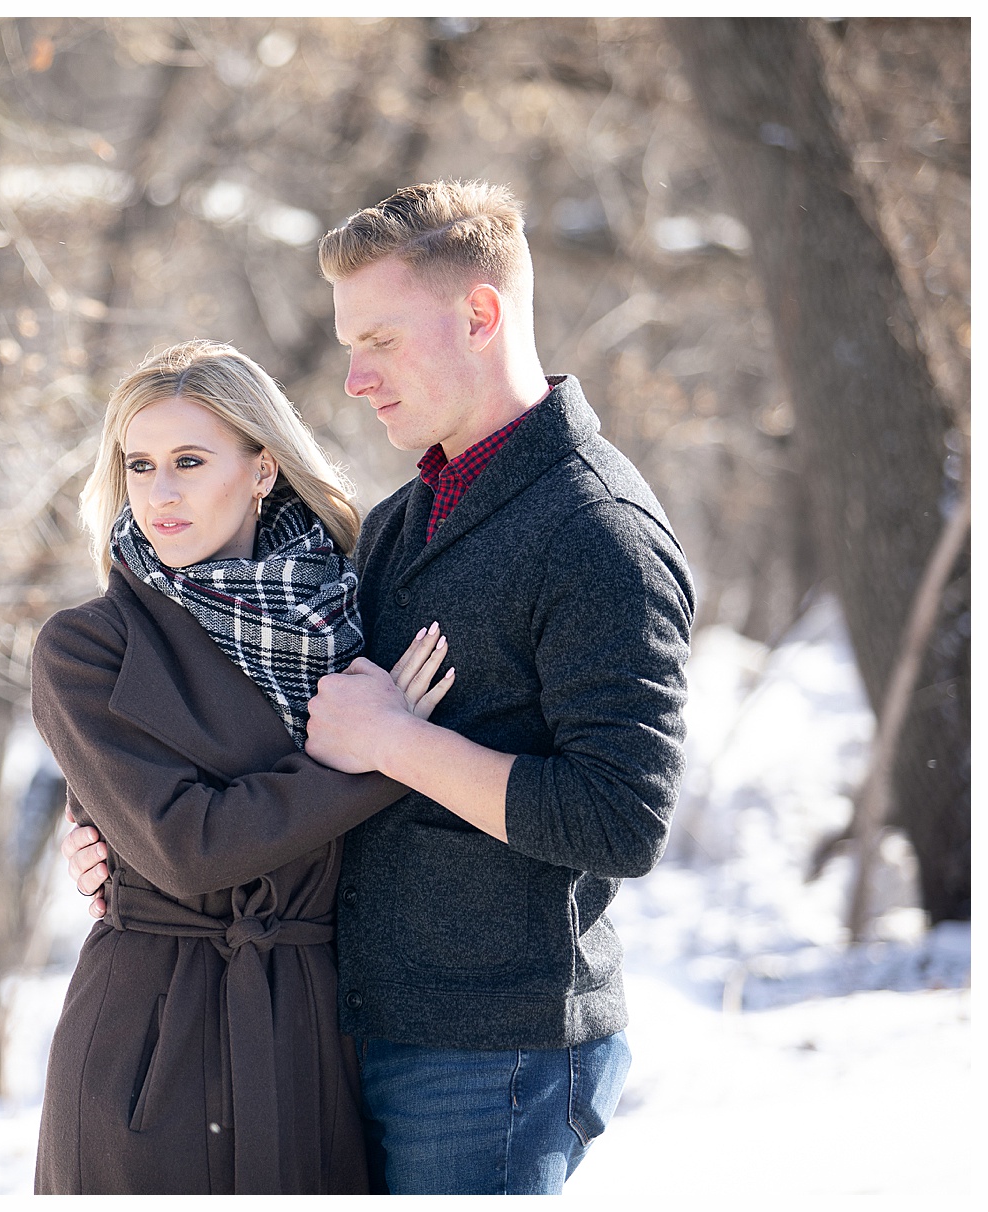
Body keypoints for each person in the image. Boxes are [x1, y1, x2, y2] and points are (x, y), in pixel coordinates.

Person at [61, 181, 696, 1195]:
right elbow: (263, 722)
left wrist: (399, 746)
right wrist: (105, 825)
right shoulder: (402, 525)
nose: (355, 380)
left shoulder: (598, 530)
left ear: (480, 316)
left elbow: (620, 819)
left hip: (494, 1050)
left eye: (382, 343)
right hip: (352, 1025)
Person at [29, 339, 457, 1194]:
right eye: (140, 465)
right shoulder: (88, 647)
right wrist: (380, 754)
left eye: (190, 460)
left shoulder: (352, 613)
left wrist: (391, 747)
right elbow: (187, 848)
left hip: (312, 1030)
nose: (161, 492)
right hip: (154, 1033)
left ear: (263, 469)